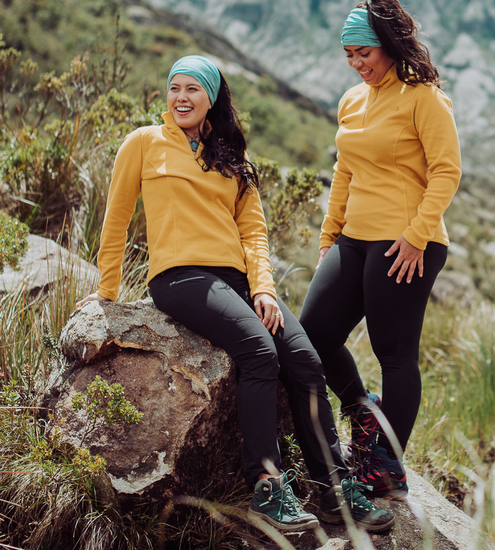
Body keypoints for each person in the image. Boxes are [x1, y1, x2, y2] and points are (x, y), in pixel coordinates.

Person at [76, 55, 393, 533]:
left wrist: (264, 289)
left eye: (192, 90)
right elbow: (116, 218)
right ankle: (267, 488)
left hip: (240, 282)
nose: (180, 97)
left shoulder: (231, 157)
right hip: (181, 278)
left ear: (211, 98)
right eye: (173, 88)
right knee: (259, 352)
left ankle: (334, 491)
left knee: (306, 361)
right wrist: (105, 292)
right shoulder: (143, 143)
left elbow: (254, 232)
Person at [299, 0, 462, 498]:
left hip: (405, 243)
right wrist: (329, 238)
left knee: (394, 353)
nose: (356, 65)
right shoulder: (351, 101)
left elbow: (446, 171)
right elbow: (344, 171)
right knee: (313, 335)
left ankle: (386, 466)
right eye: (349, 56)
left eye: (363, 53)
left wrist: (416, 237)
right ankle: (363, 415)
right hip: (354, 239)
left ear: (389, 45)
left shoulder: (424, 97)